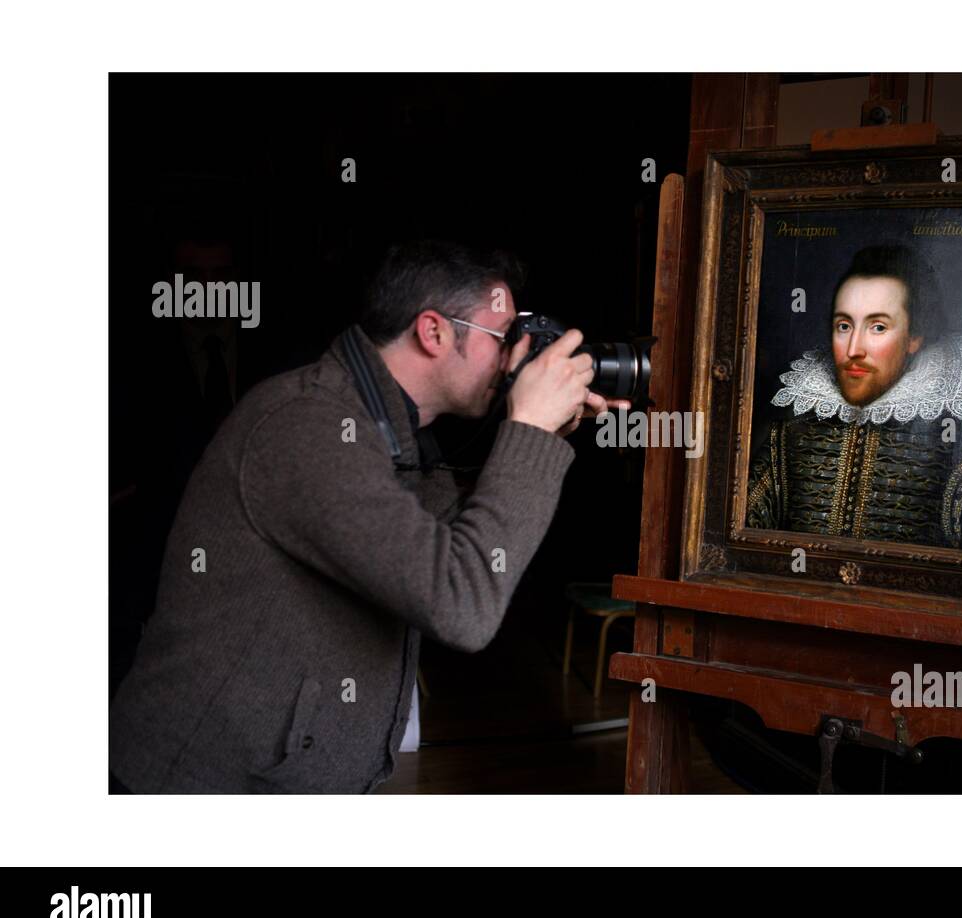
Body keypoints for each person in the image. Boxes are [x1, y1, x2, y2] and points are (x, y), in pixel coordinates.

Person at [110, 239, 618, 793]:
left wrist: (538, 435)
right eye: (503, 339)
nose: (513, 358)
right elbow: (461, 603)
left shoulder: (381, 425)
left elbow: (451, 538)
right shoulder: (307, 424)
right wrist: (529, 435)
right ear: (434, 332)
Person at [746, 246, 962, 548]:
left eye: (878, 327)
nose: (854, 348)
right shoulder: (791, 427)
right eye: (844, 326)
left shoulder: (959, 440)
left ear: (914, 338)